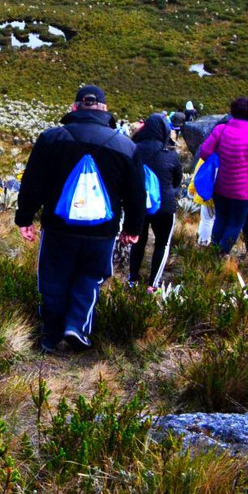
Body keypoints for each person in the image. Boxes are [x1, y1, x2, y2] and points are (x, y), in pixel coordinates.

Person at [16, 85, 145, 352]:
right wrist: (133, 227)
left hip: (58, 227)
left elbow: (32, 183)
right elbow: (135, 194)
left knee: (53, 276)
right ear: (106, 110)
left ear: (75, 108)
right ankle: (77, 327)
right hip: (102, 231)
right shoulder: (126, 146)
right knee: (90, 276)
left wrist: (25, 218)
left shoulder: (52, 139)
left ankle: (50, 335)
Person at [128, 114, 183, 289]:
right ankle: (153, 284)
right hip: (164, 206)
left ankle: (133, 279)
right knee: (162, 243)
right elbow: (177, 180)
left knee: (138, 241)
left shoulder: (133, 149)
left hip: (139, 205)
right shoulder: (170, 154)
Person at [198, 98, 248, 254]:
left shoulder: (221, 130)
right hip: (242, 192)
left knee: (220, 219)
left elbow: (204, 153)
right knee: (235, 224)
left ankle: (213, 251)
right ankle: (221, 254)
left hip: (220, 186)